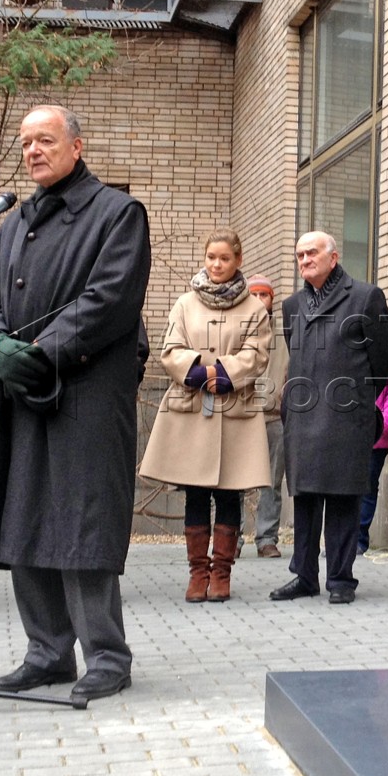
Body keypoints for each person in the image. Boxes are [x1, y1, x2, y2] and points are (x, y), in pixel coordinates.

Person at [0, 105, 152, 702]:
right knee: (24, 517)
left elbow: (109, 299)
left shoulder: (118, 213)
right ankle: (47, 652)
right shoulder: (12, 225)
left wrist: (42, 352)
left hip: (83, 395)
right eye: (25, 143)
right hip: (18, 396)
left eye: (45, 140)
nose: (33, 151)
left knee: (81, 524)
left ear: (76, 145)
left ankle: (106, 657)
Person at [139, 229, 272, 603]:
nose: (216, 264)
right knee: (195, 495)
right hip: (191, 410)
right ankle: (198, 573)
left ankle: (222, 574)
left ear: (238, 260)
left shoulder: (254, 309)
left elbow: (258, 354)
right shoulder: (184, 304)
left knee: (230, 494)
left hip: (235, 412)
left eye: (224, 258)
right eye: (211, 257)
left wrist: (226, 374)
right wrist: (197, 372)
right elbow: (170, 348)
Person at [269, 232, 388, 606]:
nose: (305, 259)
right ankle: (304, 576)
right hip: (302, 415)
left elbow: (386, 361)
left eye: (312, 252)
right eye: (299, 254)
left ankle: (341, 578)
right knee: (305, 497)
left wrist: (356, 396)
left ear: (334, 257)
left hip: (347, 416)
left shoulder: (364, 297)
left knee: (343, 498)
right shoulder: (292, 305)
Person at [246, 274, 286, 559]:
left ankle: (267, 538)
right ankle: (230, 538)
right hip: (241, 416)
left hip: (275, 417)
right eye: (255, 294)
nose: (260, 300)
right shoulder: (232, 330)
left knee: (272, 481)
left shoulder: (285, 337)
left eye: (265, 295)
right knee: (234, 482)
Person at [358, 356, 388, 554]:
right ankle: (343, 540)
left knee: (367, 486)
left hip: (377, 438)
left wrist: (381, 426)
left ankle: (358, 539)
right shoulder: (355, 355)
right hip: (350, 435)